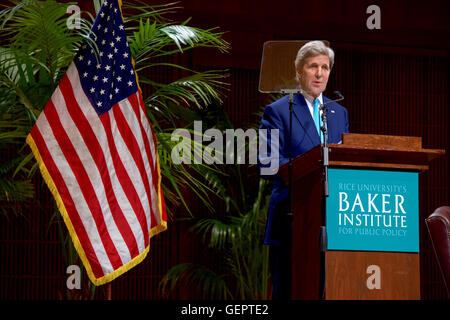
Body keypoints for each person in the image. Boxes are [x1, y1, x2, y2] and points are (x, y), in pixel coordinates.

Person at [258, 40, 349, 299]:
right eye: (313, 67)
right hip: (292, 218)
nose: (320, 74)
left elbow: (345, 162)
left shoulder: (338, 112)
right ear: (299, 71)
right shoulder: (278, 111)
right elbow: (268, 163)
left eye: (325, 67)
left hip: (332, 219)